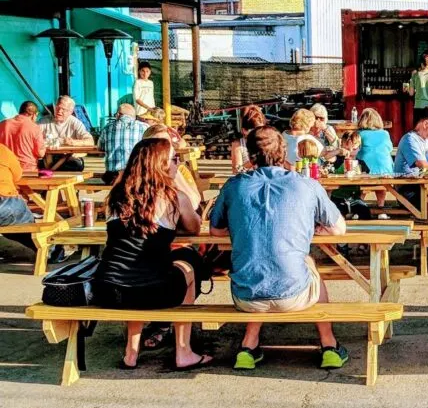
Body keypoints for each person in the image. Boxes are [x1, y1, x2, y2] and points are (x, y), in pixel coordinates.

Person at [209, 126, 348, 370]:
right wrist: (314, 230)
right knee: (308, 262)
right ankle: (329, 344)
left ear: (249, 154)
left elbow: (216, 231)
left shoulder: (233, 186)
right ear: (284, 151)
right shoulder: (306, 185)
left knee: (258, 262)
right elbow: (338, 229)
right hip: (293, 294)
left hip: (245, 296)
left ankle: (248, 345)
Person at [93, 138, 210, 371]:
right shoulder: (174, 198)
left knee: (133, 273)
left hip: (107, 290)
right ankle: (183, 350)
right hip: (152, 291)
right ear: (163, 165)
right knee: (187, 267)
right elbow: (194, 228)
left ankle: (131, 352)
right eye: (175, 159)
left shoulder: (116, 196)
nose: (179, 163)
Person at [0, 142, 39, 255]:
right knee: (24, 222)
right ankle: (50, 251)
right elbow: (17, 175)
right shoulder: (2, 150)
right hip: (5, 202)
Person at [39, 95, 94, 172]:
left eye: (63, 109)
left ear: (70, 112)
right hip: (48, 157)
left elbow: (90, 141)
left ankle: (52, 170)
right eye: (58, 108)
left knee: (77, 165)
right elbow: (34, 139)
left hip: (68, 157)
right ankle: (52, 170)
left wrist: (74, 142)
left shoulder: (75, 123)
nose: (59, 111)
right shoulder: (43, 122)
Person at [98, 104, 149, 184]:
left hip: (113, 176)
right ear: (133, 116)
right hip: (136, 175)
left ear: (118, 114)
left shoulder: (107, 128)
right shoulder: (144, 127)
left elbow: (100, 148)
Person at [394, 106, 428, 176]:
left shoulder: (427, 141)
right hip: (408, 184)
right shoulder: (409, 139)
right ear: (426, 124)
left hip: (420, 182)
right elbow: (422, 165)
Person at [0, 101, 46, 171]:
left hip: (6, 169)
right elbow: (40, 154)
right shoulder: (34, 127)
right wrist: (44, 147)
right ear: (34, 115)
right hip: (27, 169)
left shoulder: (2, 124)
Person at [356, 108, 394, 175]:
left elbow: (354, 153)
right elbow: (390, 149)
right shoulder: (385, 133)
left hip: (368, 173)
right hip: (388, 171)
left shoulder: (359, 134)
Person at [230, 105, 266, 174]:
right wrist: (252, 162)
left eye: (261, 129)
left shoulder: (267, 142)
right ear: (244, 131)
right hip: (248, 181)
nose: (259, 133)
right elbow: (236, 171)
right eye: (254, 130)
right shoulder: (238, 145)